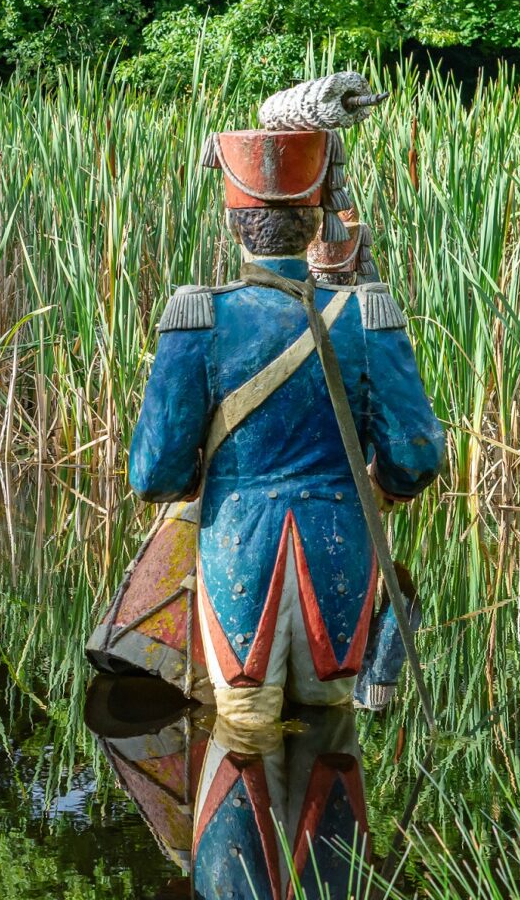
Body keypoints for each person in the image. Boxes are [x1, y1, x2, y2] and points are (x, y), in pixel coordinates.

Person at [127, 118, 444, 726]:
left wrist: (198, 480)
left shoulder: (197, 316)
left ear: (233, 223)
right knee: (328, 737)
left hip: (237, 557)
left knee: (244, 738)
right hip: (342, 558)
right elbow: (419, 455)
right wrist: (384, 486)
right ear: (318, 220)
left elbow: (154, 475)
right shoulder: (368, 312)